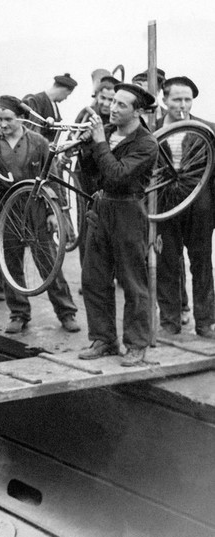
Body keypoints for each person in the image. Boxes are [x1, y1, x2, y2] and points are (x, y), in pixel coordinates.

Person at [0, 96, 80, 334]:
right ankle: (19, 313)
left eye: (8, 119)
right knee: (9, 263)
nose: (3, 124)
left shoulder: (38, 142)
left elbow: (53, 178)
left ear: (21, 118)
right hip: (5, 208)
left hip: (35, 206)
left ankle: (66, 312)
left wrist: (56, 212)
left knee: (48, 262)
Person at [77, 83, 158, 365]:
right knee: (93, 277)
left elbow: (118, 176)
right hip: (101, 207)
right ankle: (104, 339)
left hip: (128, 209)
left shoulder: (146, 143)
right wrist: (87, 147)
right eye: (112, 102)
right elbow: (91, 173)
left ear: (138, 111)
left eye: (121, 105)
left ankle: (136, 344)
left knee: (132, 281)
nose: (112, 108)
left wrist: (99, 143)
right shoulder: (108, 133)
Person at [155, 76, 215, 338]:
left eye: (187, 99)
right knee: (167, 262)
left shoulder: (208, 130)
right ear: (164, 99)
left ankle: (205, 322)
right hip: (164, 205)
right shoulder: (149, 130)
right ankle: (170, 321)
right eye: (177, 99)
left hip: (199, 206)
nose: (183, 104)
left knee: (202, 263)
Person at [22, 73, 77, 142]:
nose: (65, 98)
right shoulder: (35, 100)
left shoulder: (53, 105)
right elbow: (30, 130)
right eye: (67, 95)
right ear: (63, 90)